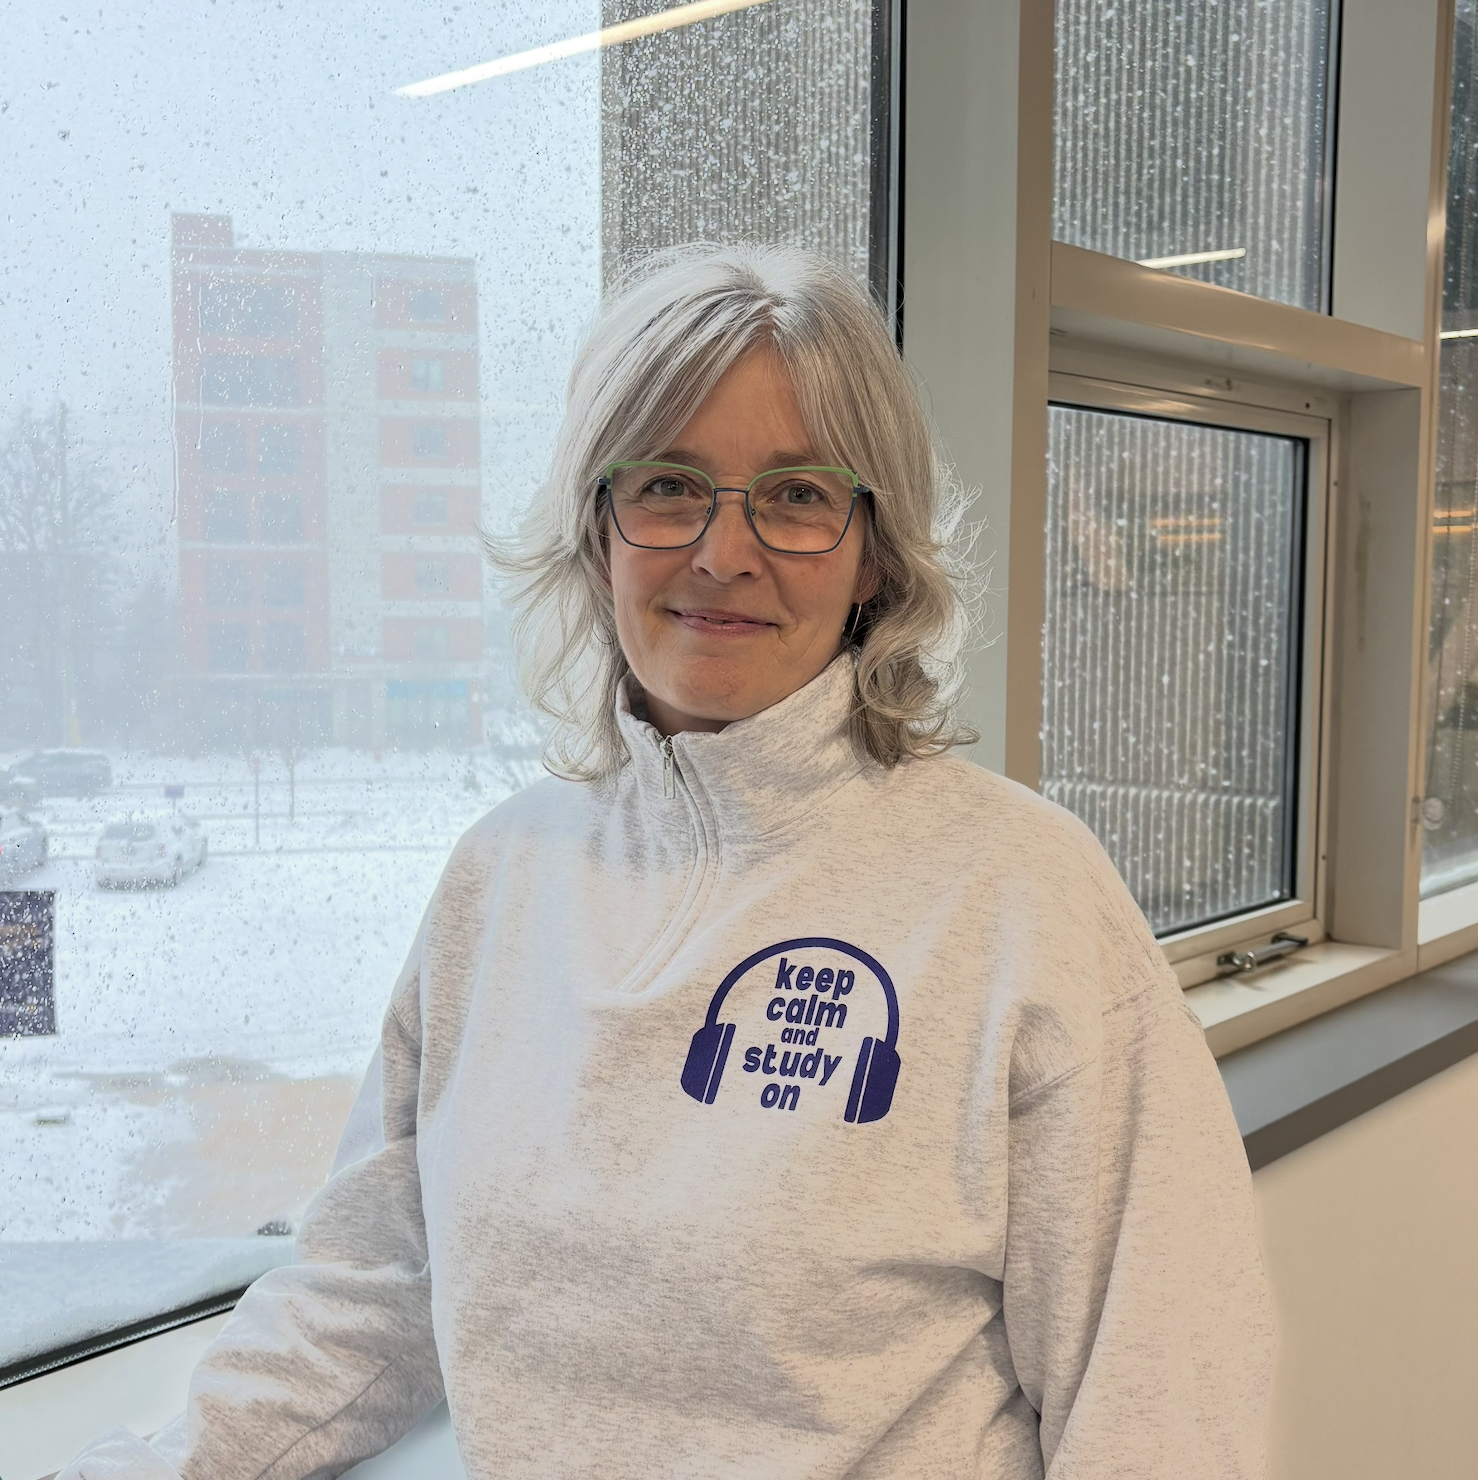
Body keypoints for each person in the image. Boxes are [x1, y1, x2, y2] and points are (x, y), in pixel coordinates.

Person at [63, 246, 1272, 1479]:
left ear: (873, 553)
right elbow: (372, 1290)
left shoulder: (1020, 894)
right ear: (598, 531)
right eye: (667, 484)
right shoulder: (503, 878)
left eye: (797, 494)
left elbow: (1162, 1399)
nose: (721, 551)